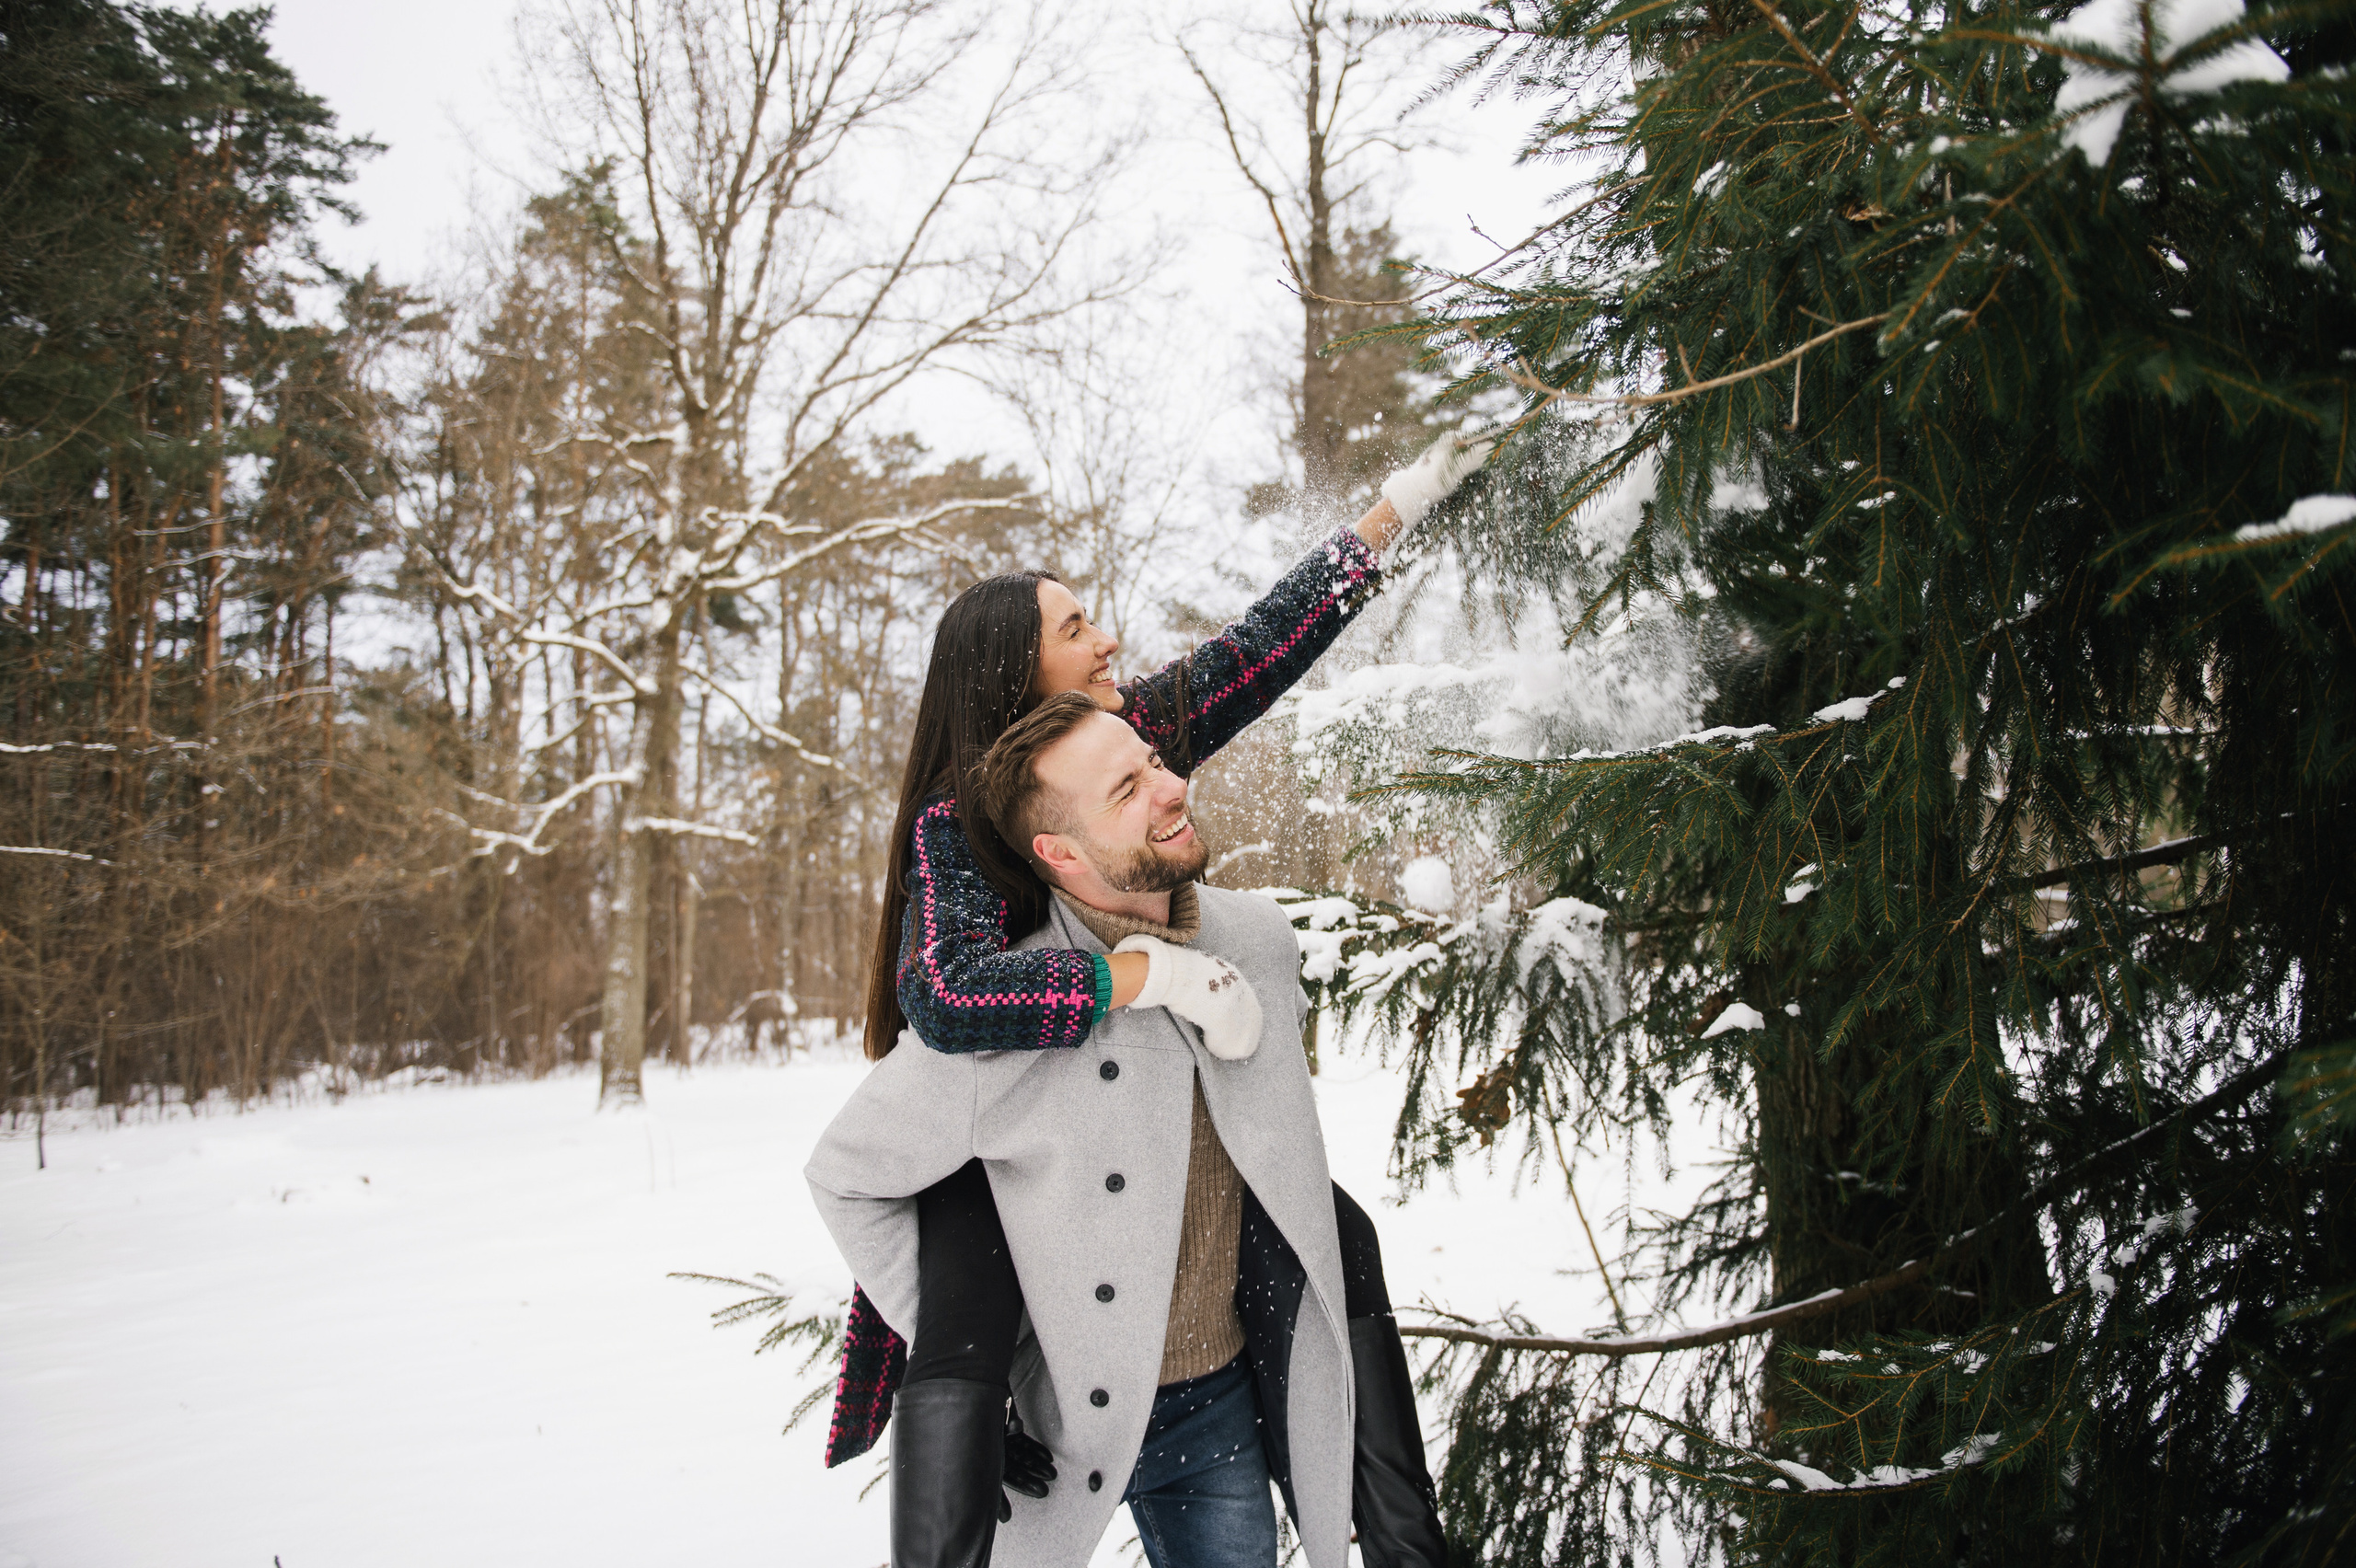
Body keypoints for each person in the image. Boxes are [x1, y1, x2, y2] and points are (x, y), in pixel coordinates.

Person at [830, 434, 1491, 1568]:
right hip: (992, 1176)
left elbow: (1259, 650)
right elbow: (944, 995)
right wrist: (1143, 979)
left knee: (1331, 1232)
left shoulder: (1118, 740)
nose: (1108, 639)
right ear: (1013, 671)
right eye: (1074, 628)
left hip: (1170, 1239)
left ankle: (1390, 1528)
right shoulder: (961, 818)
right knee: (970, 1295)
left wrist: (1392, 510)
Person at [809, 694, 1363, 1567]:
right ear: (1059, 852)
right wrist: (966, 1368)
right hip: (1056, 1426)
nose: (1173, 787)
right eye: (1126, 790)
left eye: (1154, 762)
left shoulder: (1257, 939)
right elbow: (847, 1175)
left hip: (1217, 1403)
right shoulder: (1011, 1005)